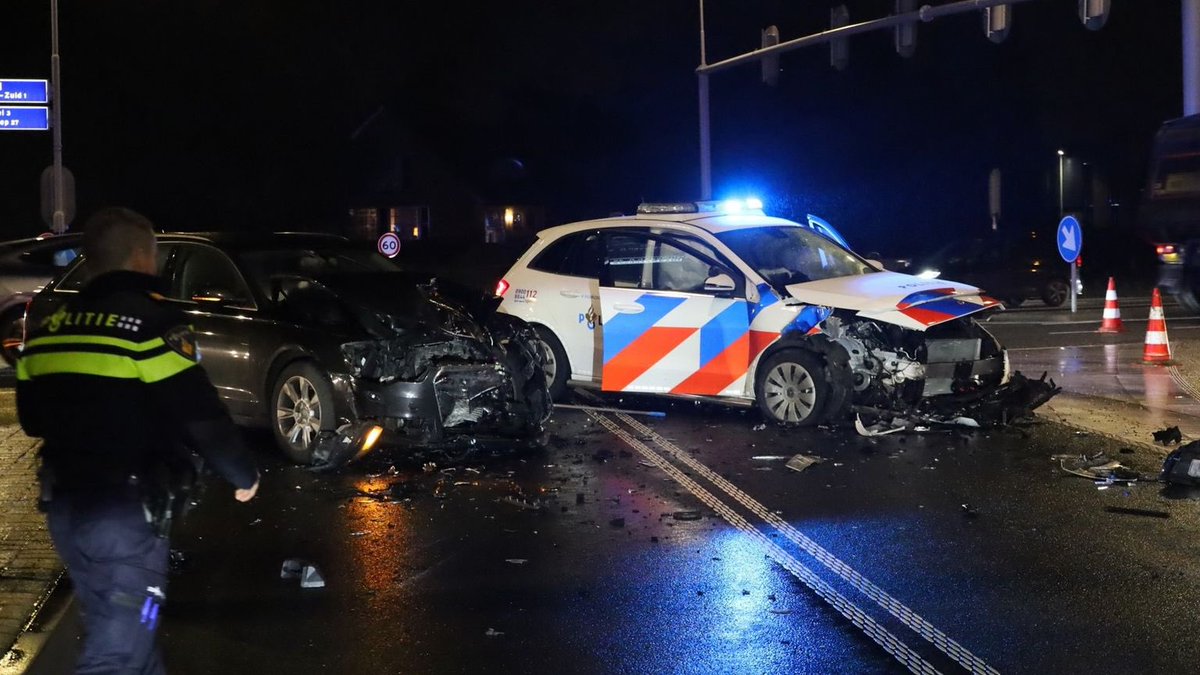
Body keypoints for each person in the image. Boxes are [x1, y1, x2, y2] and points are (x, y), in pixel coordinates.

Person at [15, 207, 260, 674]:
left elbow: (31, 419)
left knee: (129, 633)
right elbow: (201, 414)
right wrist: (242, 474)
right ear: (144, 258)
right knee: (118, 652)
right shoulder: (150, 327)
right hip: (123, 517)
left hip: (66, 509)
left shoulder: (48, 332)